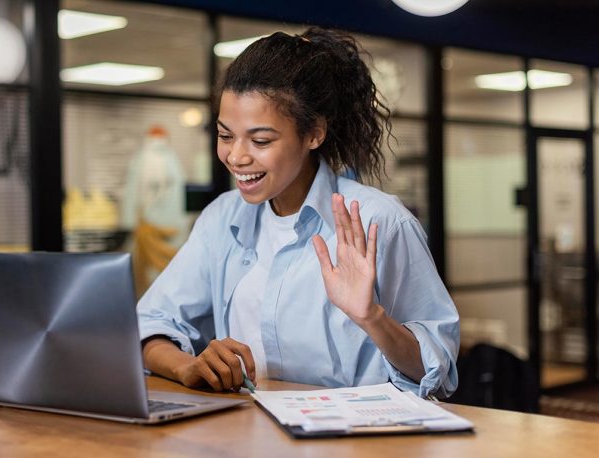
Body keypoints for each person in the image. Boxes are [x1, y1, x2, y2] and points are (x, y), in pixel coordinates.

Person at [137, 27, 459, 399]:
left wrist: (372, 317)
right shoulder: (221, 219)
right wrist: (188, 365)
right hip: (246, 433)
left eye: (260, 140)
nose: (237, 156)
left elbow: (438, 369)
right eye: (226, 136)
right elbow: (150, 323)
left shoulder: (380, 221)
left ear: (314, 134)